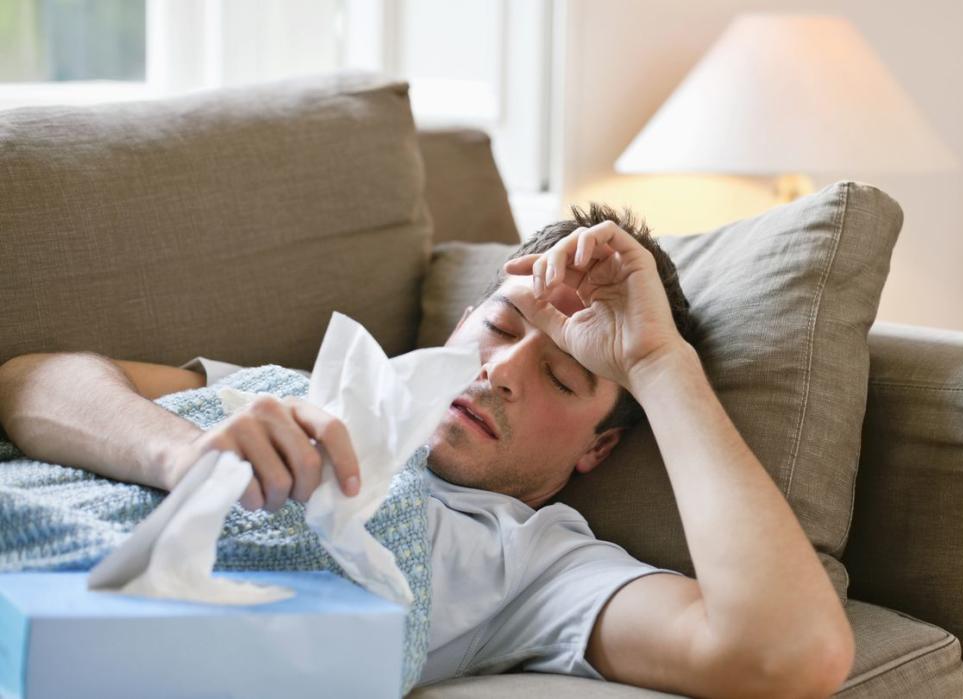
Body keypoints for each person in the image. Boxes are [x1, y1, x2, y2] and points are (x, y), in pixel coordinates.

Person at [0, 204, 853, 698]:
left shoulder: (539, 567)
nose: (501, 372)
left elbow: (788, 654)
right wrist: (181, 453)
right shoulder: (296, 388)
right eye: (500, 327)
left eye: (563, 376)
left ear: (598, 449)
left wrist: (660, 365)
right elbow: (34, 381)